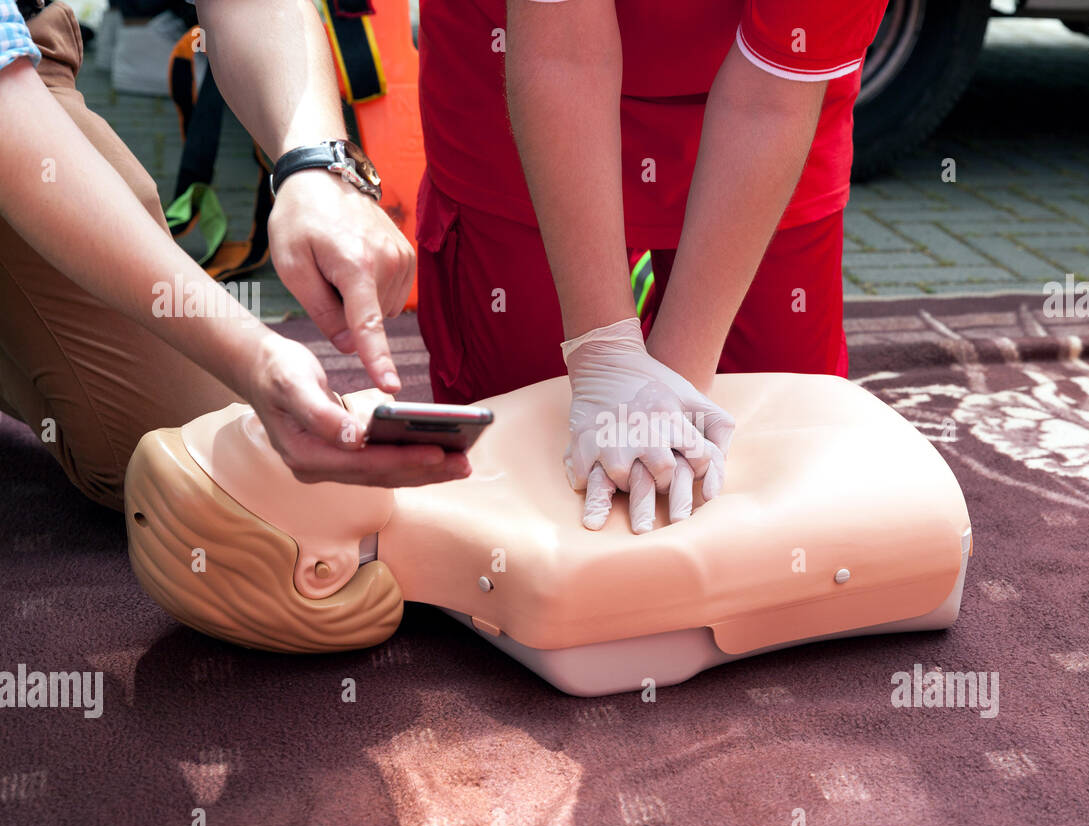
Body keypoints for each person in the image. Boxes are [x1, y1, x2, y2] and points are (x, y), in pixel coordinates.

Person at [416, 0, 888, 529]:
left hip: (774, 90)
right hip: (517, 50)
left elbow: (771, 100)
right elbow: (563, 51)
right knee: (515, 477)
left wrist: (671, 387)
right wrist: (604, 353)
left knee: (791, 459)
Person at [0, 0, 462, 511]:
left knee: (220, 438)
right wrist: (249, 355)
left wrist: (318, 167)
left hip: (23, 49)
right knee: (202, 454)